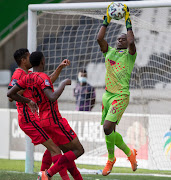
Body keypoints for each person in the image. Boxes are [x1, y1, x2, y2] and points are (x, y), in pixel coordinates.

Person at [7, 51, 84, 180]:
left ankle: (47, 173)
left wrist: (59, 68)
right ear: (43, 61)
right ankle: (46, 174)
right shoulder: (22, 74)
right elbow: (51, 96)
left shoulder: (29, 77)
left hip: (41, 119)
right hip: (51, 119)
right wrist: (63, 83)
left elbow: (11, 93)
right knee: (77, 150)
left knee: (57, 150)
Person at [97, 3, 138, 176]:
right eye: (118, 38)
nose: (120, 40)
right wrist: (106, 20)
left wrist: (128, 20)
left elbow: (131, 41)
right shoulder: (109, 52)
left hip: (121, 95)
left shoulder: (130, 56)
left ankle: (111, 158)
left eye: (123, 38)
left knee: (107, 128)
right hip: (107, 95)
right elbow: (99, 39)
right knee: (110, 131)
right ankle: (129, 154)